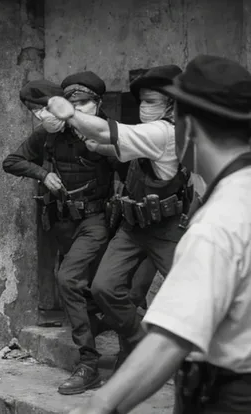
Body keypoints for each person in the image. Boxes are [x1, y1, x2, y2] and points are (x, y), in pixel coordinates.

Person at [70, 54, 251, 414]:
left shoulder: (217, 225)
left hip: (227, 395)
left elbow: (171, 340)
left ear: (188, 127)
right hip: (135, 227)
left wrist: (101, 405)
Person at [48, 64, 192, 371]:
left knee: (189, 296)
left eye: (152, 100)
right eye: (142, 99)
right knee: (105, 289)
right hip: (132, 227)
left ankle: (192, 362)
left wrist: (70, 114)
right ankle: (140, 343)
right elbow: (119, 145)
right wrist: (100, 146)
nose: (144, 106)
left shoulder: (165, 132)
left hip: (165, 230)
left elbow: (106, 131)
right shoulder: (149, 134)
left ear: (171, 105)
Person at [3, 74, 118, 395]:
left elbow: (131, 170)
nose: (41, 116)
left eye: (44, 108)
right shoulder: (47, 136)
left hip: (97, 220)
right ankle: (118, 345)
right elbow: (11, 161)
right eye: (34, 112)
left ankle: (89, 362)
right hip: (63, 222)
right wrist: (42, 173)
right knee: (88, 290)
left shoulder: (101, 129)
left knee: (72, 280)